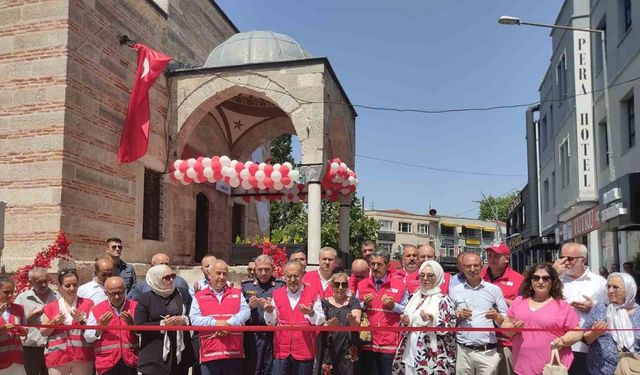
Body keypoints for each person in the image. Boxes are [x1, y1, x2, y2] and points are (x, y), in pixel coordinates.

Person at [501, 263, 582, 375]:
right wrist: (514, 328)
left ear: (553, 282)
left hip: (552, 369)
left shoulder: (562, 306)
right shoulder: (519, 301)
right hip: (521, 368)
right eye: (536, 278)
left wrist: (563, 341)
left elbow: (577, 332)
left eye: (545, 278)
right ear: (530, 281)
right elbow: (505, 328)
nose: (540, 281)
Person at [392, 260, 457, 375]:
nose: (425, 278)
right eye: (422, 275)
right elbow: (404, 327)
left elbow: (449, 331)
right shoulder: (414, 297)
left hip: (432, 357)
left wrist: (433, 321)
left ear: (438, 277)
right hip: (410, 353)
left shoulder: (443, 300)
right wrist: (406, 322)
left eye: (430, 275)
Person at [553, 242, 607, 375]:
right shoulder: (553, 280)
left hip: (587, 346)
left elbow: (609, 310)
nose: (565, 262)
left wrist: (592, 307)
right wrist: (553, 274)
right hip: (558, 344)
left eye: (569, 258)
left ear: (583, 259)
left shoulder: (599, 282)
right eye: (561, 258)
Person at [449, 253, 507, 375]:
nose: (472, 269)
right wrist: (458, 316)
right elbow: (448, 319)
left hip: (487, 351)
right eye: (468, 266)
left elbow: (505, 317)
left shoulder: (493, 290)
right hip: (463, 351)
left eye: (476, 265)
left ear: (482, 267)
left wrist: (496, 316)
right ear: (462, 268)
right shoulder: (455, 291)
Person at [263, 261, 325, 375]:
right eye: (289, 276)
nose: (292, 280)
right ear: (284, 276)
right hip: (281, 350)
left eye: (296, 276)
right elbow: (271, 323)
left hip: (304, 349)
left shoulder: (312, 292)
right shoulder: (277, 294)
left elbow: (320, 320)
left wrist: (311, 313)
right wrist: (269, 312)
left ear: (302, 274)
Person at [190, 260, 250, 375]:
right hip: (210, 353)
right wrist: (214, 324)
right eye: (218, 273)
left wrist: (228, 324)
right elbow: (194, 318)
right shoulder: (199, 296)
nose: (222, 277)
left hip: (233, 352)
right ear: (209, 275)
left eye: (225, 273)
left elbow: (246, 312)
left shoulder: (237, 293)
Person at [134, 264, 194, 375]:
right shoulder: (146, 298)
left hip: (180, 355)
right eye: (166, 277)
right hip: (154, 357)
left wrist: (183, 320)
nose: (171, 280)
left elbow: (194, 317)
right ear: (156, 279)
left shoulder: (182, 293)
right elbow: (138, 326)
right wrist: (162, 324)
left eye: (173, 276)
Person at [356, 250, 408, 375]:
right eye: (372, 264)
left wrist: (393, 306)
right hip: (368, 342)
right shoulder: (362, 284)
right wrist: (364, 305)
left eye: (379, 264)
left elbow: (407, 309)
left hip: (389, 342)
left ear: (388, 265)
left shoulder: (400, 284)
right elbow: (355, 307)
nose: (375, 267)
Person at [584, 272, 640, 375]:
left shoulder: (638, 313)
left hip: (630, 370)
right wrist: (594, 333)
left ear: (629, 289)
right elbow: (584, 338)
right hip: (599, 370)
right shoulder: (600, 309)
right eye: (608, 286)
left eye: (615, 287)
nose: (610, 291)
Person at [480, 242, 524, 375]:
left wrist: (505, 302)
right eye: (489, 255)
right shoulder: (479, 276)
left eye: (496, 256)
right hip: (482, 341)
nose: (492, 259)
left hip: (506, 342)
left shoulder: (519, 280)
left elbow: (525, 307)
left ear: (506, 258)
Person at [40, 269, 94, 375]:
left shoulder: (88, 304)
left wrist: (81, 322)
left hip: (82, 356)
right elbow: (43, 332)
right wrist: (53, 323)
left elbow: (93, 332)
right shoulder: (51, 306)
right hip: (57, 356)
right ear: (60, 287)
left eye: (75, 285)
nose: (72, 288)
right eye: (67, 286)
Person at [84, 276, 138, 375]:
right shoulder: (97, 309)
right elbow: (88, 337)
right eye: (113, 294)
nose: (117, 297)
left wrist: (132, 324)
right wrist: (100, 327)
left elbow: (143, 333)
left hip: (131, 361)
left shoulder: (135, 307)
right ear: (105, 293)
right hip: (107, 364)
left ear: (125, 290)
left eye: (120, 292)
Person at [240, 255, 285, 375]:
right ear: (255, 269)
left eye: (267, 269)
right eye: (260, 269)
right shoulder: (246, 286)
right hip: (252, 335)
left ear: (273, 269)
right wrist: (249, 307)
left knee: (271, 368)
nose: (263, 273)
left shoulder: (281, 285)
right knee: (253, 368)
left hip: (273, 334)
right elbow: (238, 311)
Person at [14, 267, 59, 375]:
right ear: (31, 282)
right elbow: (15, 326)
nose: (43, 285)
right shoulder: (22, 298)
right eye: (39, 282)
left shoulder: (57, 297)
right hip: (31, 349)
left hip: (54, 347)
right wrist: (29, 319)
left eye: (45, 281)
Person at [319, 272, 362, 375]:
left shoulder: (353, 301)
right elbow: (319, 324)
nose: (341, 287)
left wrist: (351, 319)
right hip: (330, 347)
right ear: (331, 286)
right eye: (337, 284)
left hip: (348, 347)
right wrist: (327, 326)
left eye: (344, 284)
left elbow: (356, 324)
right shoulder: (324, 302)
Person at [189, 254, 217, 375]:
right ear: (202, 269)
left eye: (213, 265)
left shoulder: (228, 285)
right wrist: (198, 296)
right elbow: (193, 313)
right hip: (201, 332)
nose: (210, 268)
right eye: (207, 266)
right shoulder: (196, 287)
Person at [0, 276, 27, 375]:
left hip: (16, 359)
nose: (10, 295)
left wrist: (23, 332)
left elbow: (25, 330)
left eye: (12, 291)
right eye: (6, 292)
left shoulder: (19, 309)